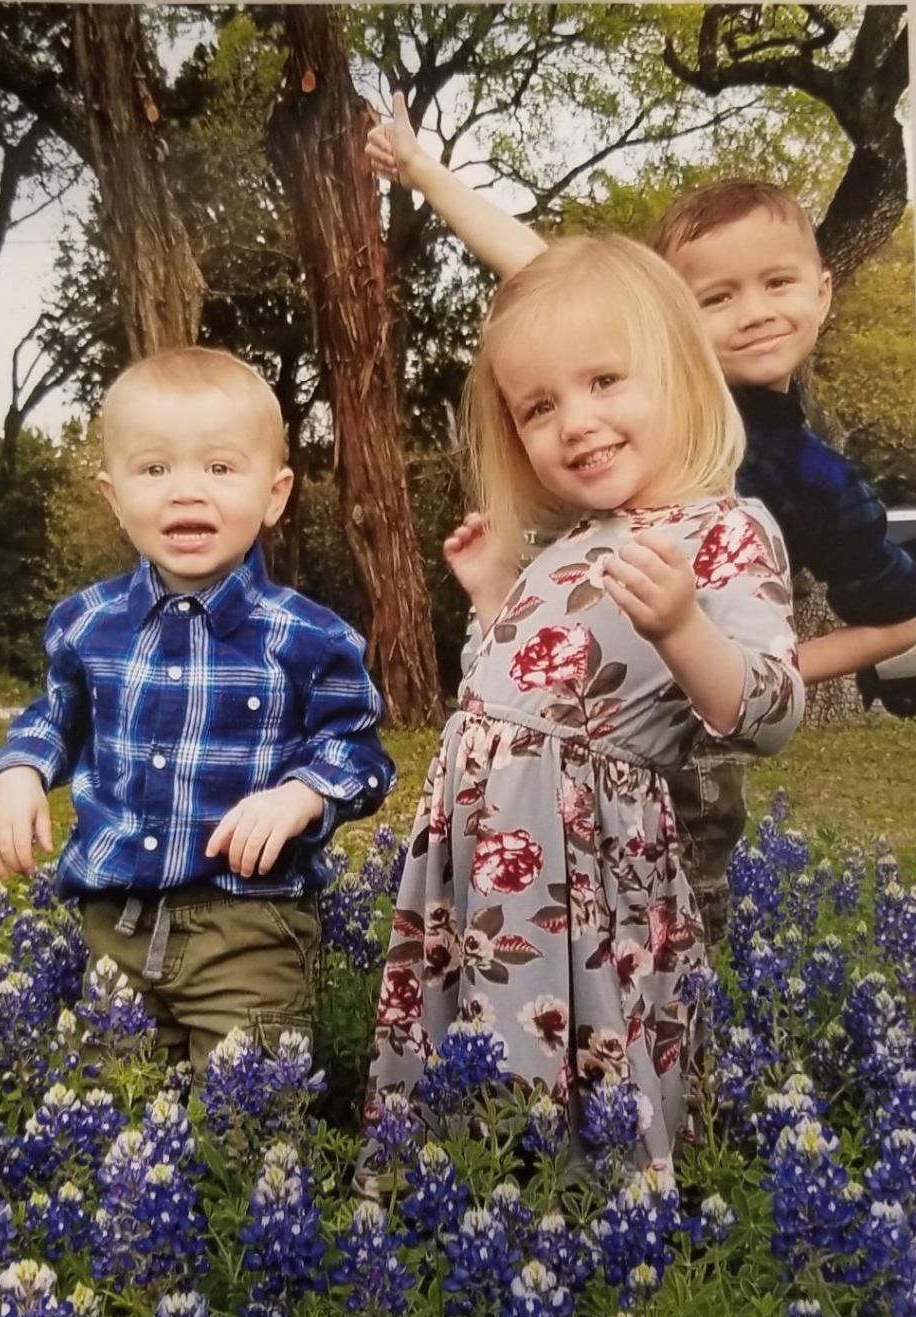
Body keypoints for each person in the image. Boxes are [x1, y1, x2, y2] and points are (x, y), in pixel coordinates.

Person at [366, 96, 916, 948]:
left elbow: (888, 617)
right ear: (665, 322)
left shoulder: (816, 479)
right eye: (715, 297)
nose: (754, 312)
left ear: (823, 289)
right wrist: (425, 171)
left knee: (660, 930)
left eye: (776, 283)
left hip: (680, 748)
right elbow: (537, 271)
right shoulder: (630, 392)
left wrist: (715, 652)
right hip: (572, 737)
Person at [366, 235, 804, 1167]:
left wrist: (687, 626)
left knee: (570, 1047)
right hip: (481, 849)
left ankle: (571, 1225)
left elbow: (772, 710)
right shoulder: (566, 544)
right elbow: (502, 697)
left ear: (682, 373)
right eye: (539, 405)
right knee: (474, 1032)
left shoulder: (724, 529)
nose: (575, 421)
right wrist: (490, 597)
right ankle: (459, 1186)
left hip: (581, 862)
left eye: (606, 380)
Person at [0, 347, 394, 1082]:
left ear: (276, 493)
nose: (186, 493)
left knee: (245, 1123)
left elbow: (358, 751)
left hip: (250, 929)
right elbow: (55, 715)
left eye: (221, 468)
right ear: (113, 494)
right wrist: (18, 770)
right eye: (154, 469)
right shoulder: (86, 622)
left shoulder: (307, 635)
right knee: (113, 1104)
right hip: (117, 923)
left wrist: (301, 796)